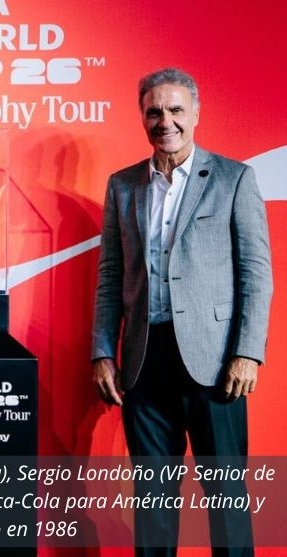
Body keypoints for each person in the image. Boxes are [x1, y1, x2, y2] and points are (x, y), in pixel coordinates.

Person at [91, 68, 273, 556]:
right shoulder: (122, 186)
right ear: (142, 117)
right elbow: (111, 276)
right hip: (144, 361)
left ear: (195, 113)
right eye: (154, 111)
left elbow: (256, 273)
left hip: (216, 364)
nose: (164, 121)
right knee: (152, 501)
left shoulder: (235, 178)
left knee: (227, 499)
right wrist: (102, 352)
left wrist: (248, 353)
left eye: (175, 110)